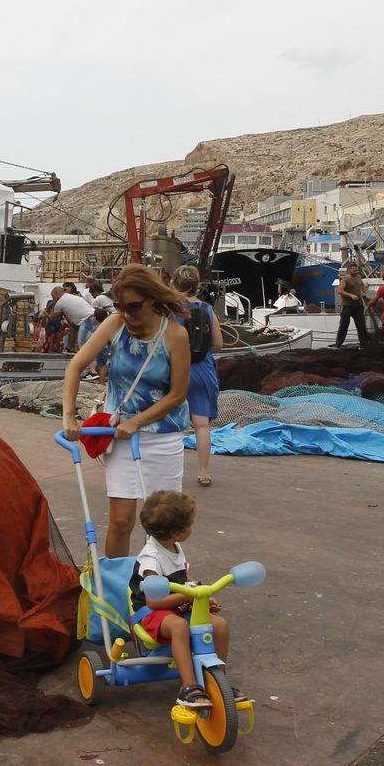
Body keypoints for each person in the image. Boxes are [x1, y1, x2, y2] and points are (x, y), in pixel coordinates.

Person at [61, 263, 191, 557]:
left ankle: (159, 585)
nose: (128, 314)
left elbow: (177, 394)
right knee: (121, 521)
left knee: (162, 524)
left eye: (134, 306)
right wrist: (69, 415)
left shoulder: (175, 335)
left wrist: (139, 422)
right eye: (121, 306)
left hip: (162, 438)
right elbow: (75, 367)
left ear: (152, 299)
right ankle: (117, 589)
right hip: (117, 435)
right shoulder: (115, 325)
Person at [128, 490, 242, 711]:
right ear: (178, 533)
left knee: (219, 625)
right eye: (190, 525)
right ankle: (190, 687)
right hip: (152, 612)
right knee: (179, 627)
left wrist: (202, 596)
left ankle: (218, 680)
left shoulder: (173, 546)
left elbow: (184, 577)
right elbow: (154, 602)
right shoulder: (151, 559)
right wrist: (191, 595)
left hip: (178, 604)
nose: (192, 528)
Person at [172, 265, 223, 487]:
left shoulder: (171, 310)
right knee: (201, 425)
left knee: (171, 423)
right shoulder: (207, 309)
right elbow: (218, 345)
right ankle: (203, 472)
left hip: (176, 370)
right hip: (203, 370)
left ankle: (170, 471)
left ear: (174, 283)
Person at [333, 262, 371, 348]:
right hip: (348, 306)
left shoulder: (358, 277)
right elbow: (340, 291)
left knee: (361, 325)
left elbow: (363, 285)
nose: (356, 272)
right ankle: (338, 344)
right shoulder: (345, 279)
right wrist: (351, 295)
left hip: (358, 305)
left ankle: (364, 344)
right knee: (344, 325)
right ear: (350, 270)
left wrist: (364, 292)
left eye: (357, 270)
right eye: (354, 270)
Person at [51, 285, 97, 351]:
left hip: (86, 319)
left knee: (82, 344)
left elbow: (53, 317)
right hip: (93, 315)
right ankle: (70, 347)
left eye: (53, 297)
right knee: (73, 328)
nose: (53, 298)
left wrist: (53, 303)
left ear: (57, 295)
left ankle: (83, 358)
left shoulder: (60, 302)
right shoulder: (73, 296)